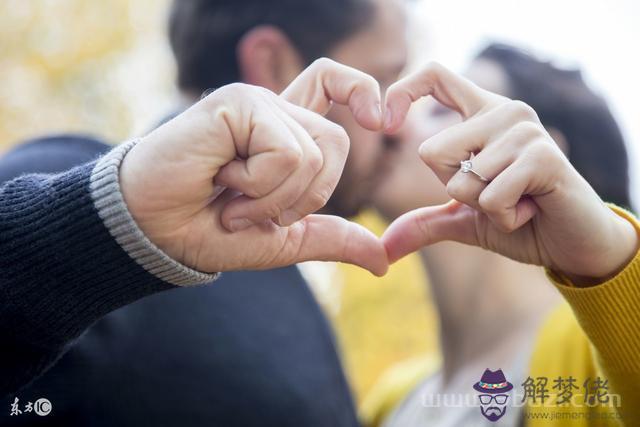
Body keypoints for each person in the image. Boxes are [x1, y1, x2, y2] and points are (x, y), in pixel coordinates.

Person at [0, 60, 390, 426]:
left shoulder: (279, 270)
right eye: (384, 76)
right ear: (270, 59)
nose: (396, 128)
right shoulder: (56, 168)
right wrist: (110, 216)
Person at [366, 48, 639, 426]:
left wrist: (610, 258)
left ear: (534, 160)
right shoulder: (390, 399)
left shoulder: (593, 358)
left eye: (440, 111)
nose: (392, 129)